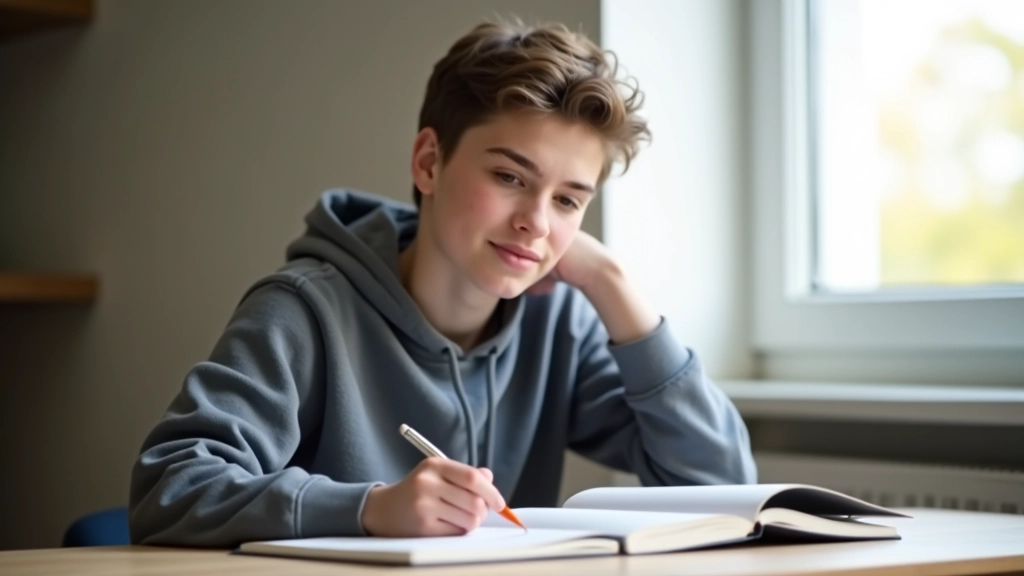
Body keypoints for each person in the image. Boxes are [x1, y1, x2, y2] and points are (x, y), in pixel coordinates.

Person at [129, 19, 756, 547]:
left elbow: (722, 487)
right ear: (429, 162)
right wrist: (368, 509)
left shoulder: (560, 323)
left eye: (568, 201)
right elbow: (168, 488)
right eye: (510, 177)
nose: (535, 222)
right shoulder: (304, 311)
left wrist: (611, 281)